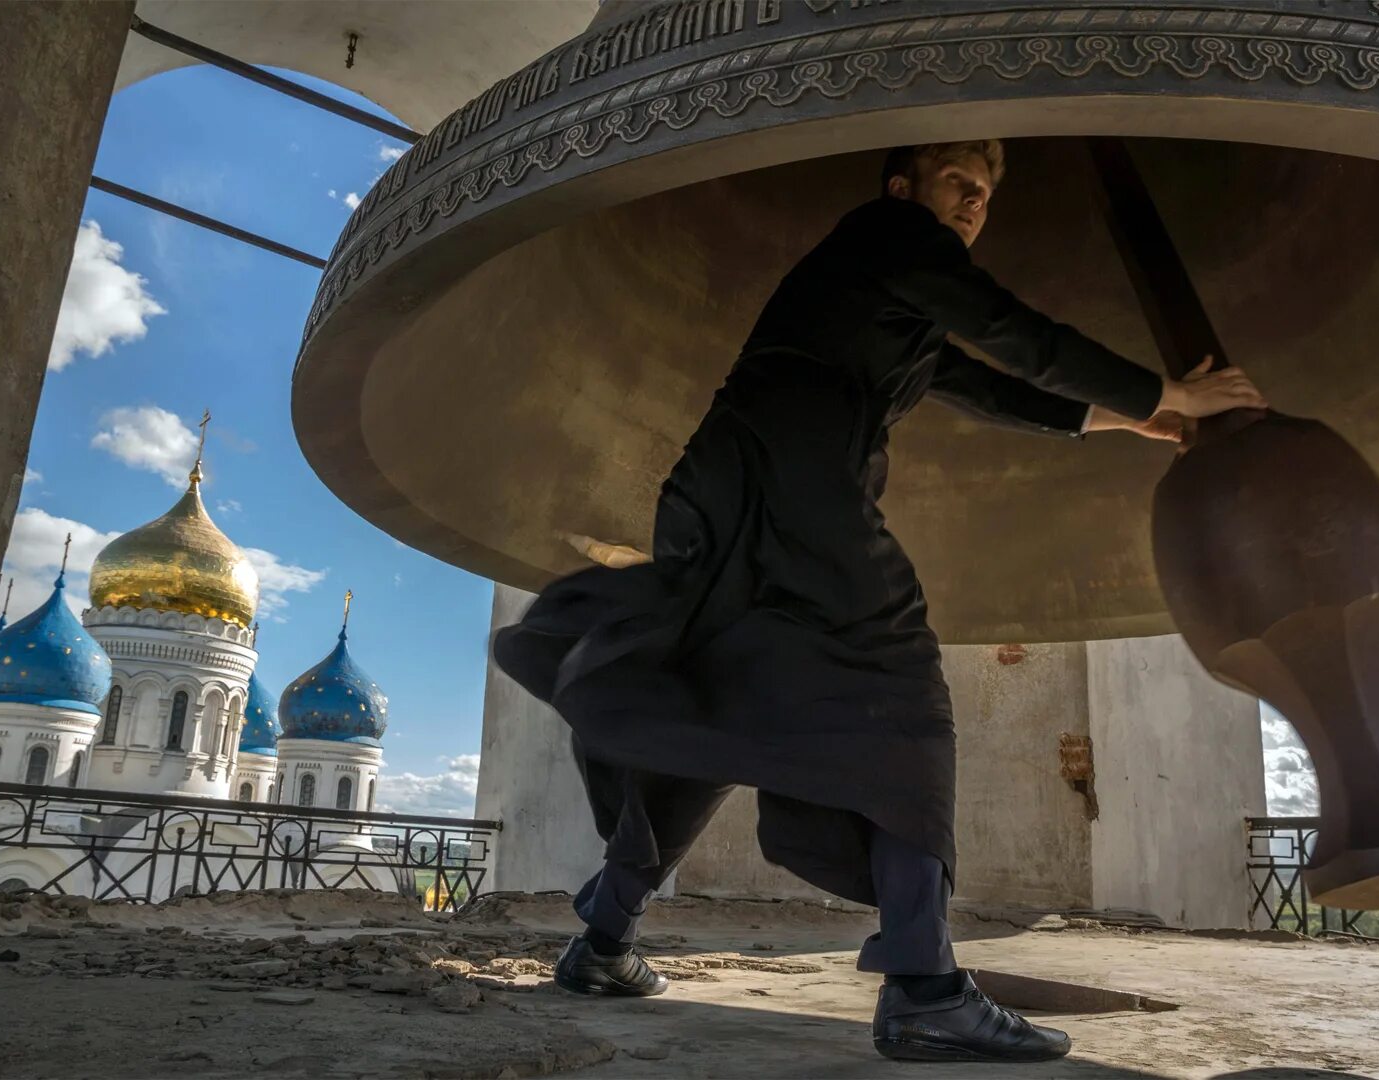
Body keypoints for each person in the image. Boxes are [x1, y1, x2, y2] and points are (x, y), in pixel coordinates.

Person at [492, 140, 1266, 1063]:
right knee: (901, 693)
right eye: (959, 180)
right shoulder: (889, 232)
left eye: (986, 191)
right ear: (905, 187)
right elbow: (1011, 327)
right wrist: (1168, 386)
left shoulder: (888, 298)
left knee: (718, 698)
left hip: (725, 490)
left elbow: (995, 387)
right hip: (800, 489)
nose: (976, 199)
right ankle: (926, 985)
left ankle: (605, 940)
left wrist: (1131, 417)